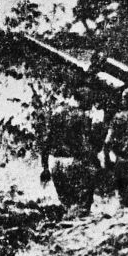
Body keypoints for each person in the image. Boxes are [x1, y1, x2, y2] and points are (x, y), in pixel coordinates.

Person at [39, 85, 102, 216]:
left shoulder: (56, 113)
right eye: (89, 101)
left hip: (56, 163)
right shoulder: (81, 116)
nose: (91, 105)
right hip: (75, 163)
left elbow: (46, 142)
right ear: (83, 99)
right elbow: (85, 144)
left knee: (67, 204)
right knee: (81, 207)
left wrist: (45, 167)